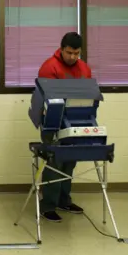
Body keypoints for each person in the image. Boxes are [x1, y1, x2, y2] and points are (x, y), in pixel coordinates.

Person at [37, 32, 92, 222]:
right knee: (54, 163)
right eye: (69, 53)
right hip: (53, 122)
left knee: (70, 162)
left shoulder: (84, 68)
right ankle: (48, 205)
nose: (73, 57)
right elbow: (44, 99)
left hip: (76, 121)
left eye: (76, 53)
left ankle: (63, 200)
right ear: (61, 50)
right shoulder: (49, 67)